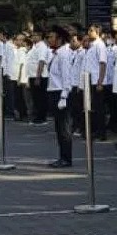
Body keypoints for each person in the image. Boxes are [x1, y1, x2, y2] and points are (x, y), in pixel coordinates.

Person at [46, 25, 74, 167]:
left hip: (61, 93)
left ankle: (66, 158)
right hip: (54, 91)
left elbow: (67, 76)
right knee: (59, 127)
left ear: (59, 39)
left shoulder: (64, 54)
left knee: (64, 128)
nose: (49, 40)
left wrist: (64, 96)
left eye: (51, 37)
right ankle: (62, 156)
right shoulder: (56, 54)